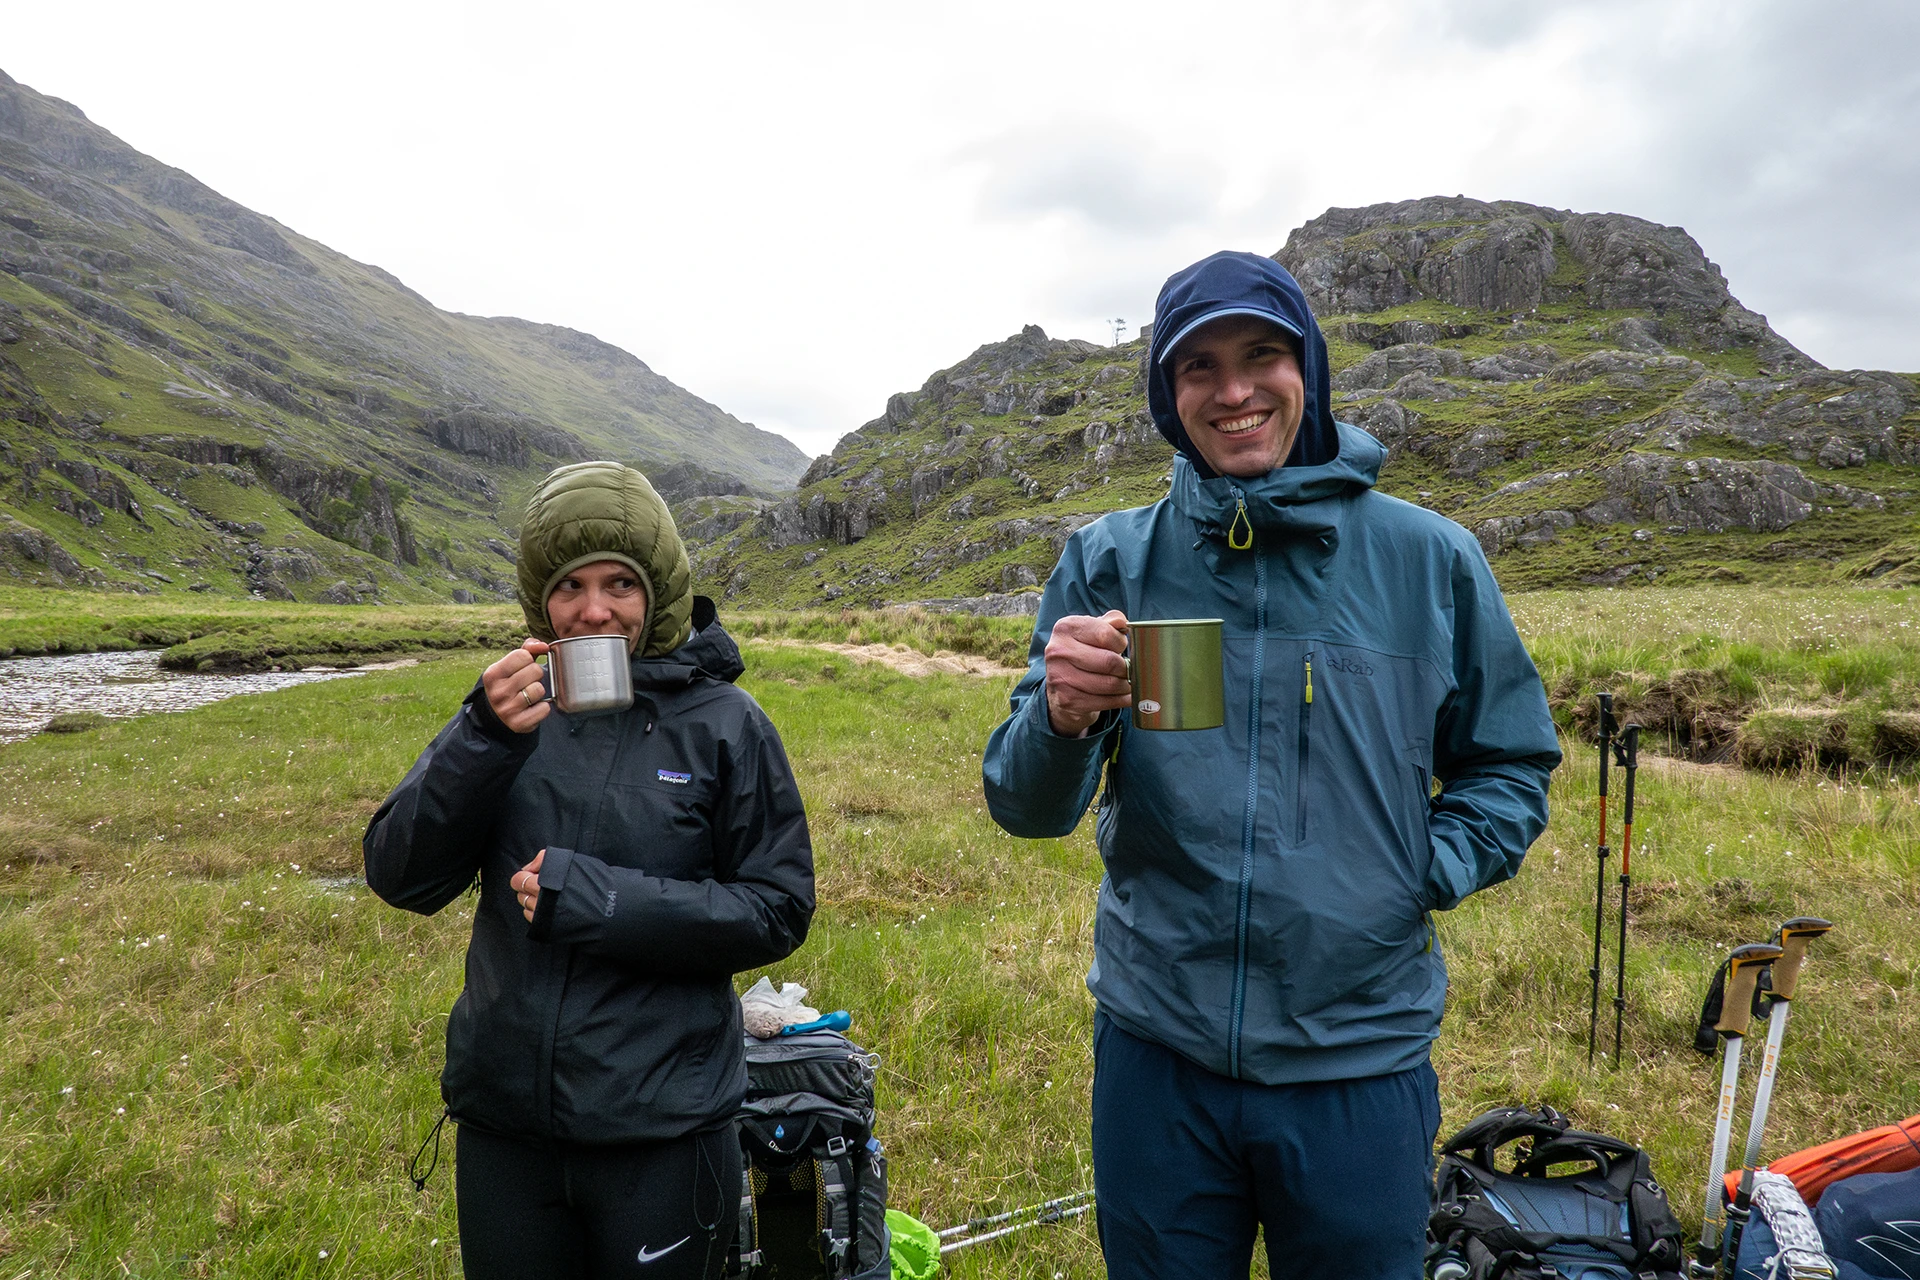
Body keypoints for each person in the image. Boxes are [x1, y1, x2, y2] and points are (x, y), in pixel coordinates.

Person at [982, 252, 1561, 1279]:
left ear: (1311, 370)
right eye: (1198, 366)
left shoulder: (1430, 560)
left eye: (1262, 356)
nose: (1234, 389)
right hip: (1157, 1056)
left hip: (1359, 1063)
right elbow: (1025, 808)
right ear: (1169, 396)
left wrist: (1415, 871)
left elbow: (1510, 762)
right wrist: (1063, 717)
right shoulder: (1110, 560)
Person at [365, 460, 814, 1280]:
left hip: (663, 1132)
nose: (595, 610)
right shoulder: (510, 713)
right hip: (506, 1129)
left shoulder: (726, 725)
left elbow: (777, 908)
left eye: (620, 584)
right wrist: (480, 737)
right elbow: (402, 877)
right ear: (541, 596)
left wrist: (601, 902)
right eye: (569, 585)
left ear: (661, 591)